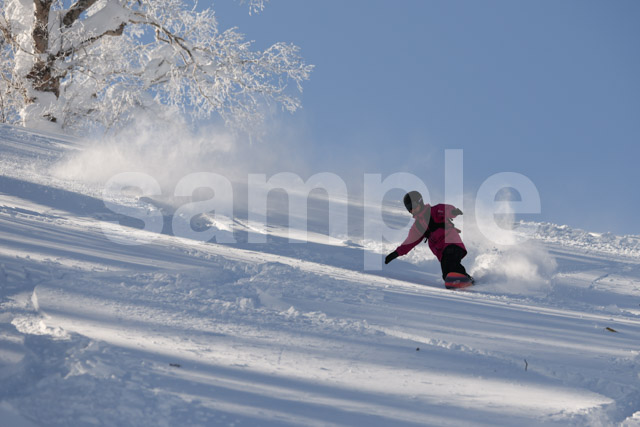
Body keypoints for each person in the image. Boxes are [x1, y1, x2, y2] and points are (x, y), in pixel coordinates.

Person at [384, 191, 473, 288]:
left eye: (414, 205)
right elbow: (409, 242)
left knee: (450, 262)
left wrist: (453, 212)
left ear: (420, 202)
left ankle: (464, 280)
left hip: (452, 243)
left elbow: (446, 210)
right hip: (441, 252)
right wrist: (395, 253)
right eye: (409, 208)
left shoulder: (434, 211)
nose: (412, 209)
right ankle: (461, 281)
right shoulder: (417, 227)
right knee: (447, 274)